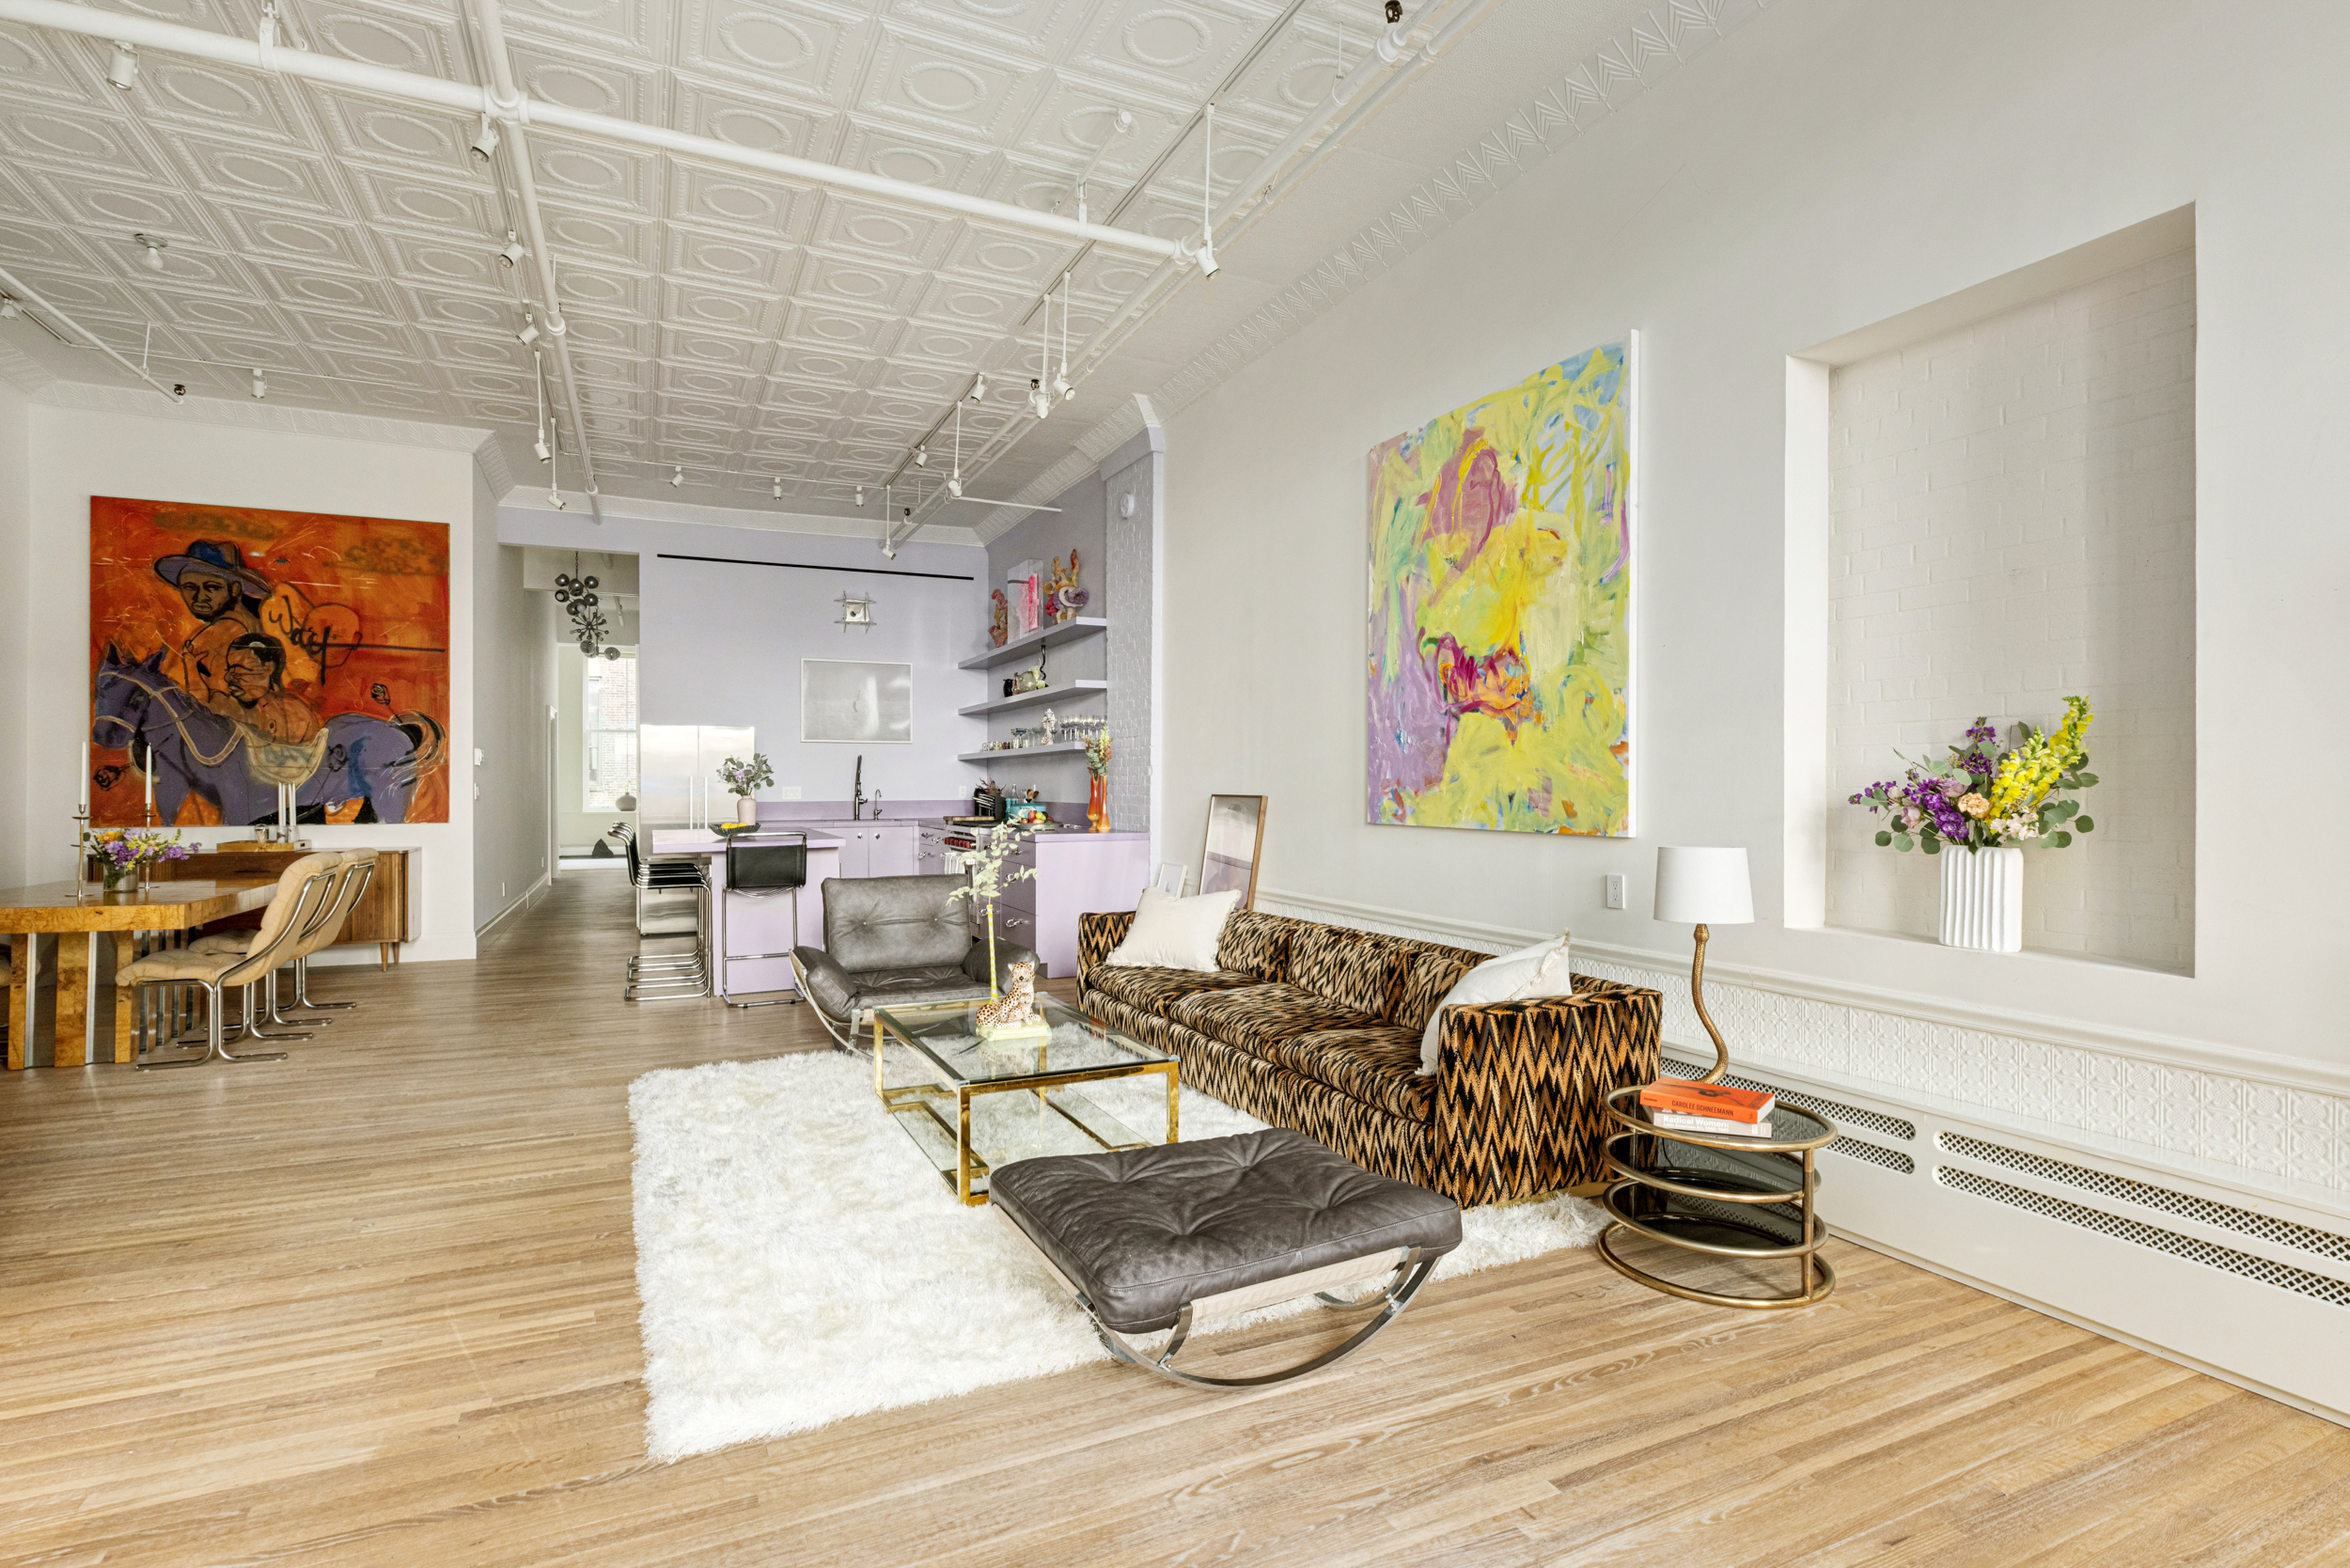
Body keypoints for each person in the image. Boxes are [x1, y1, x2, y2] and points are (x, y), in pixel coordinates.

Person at [207, 632, 321, 744]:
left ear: (268, 668)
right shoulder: (229, 708)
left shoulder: (296, 715)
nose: (228, 678)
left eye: (238, 668)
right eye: (229, 669)